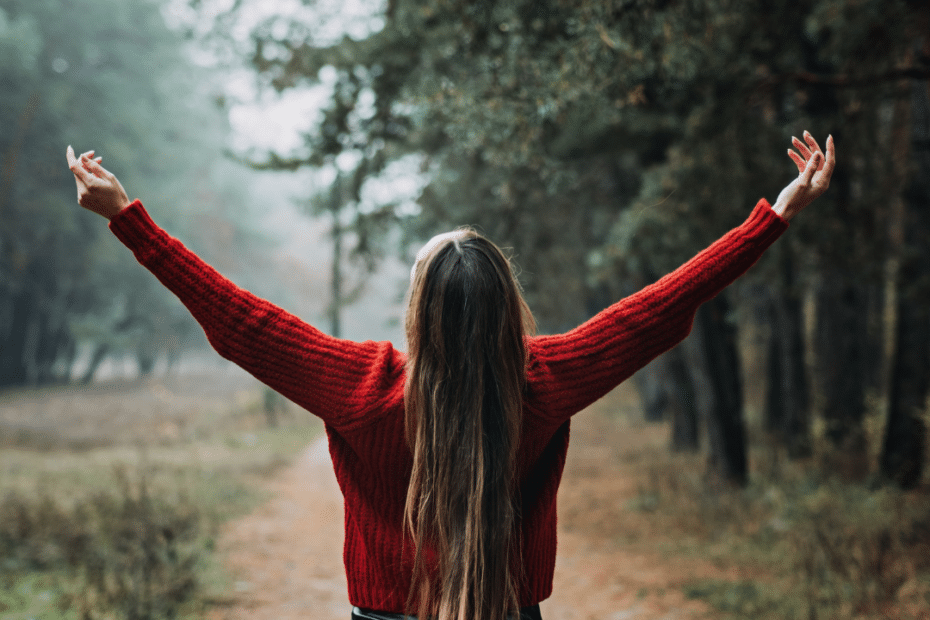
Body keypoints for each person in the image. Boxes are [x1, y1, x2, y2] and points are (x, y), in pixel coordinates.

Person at [66, 132, 835, 620]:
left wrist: (129, 217)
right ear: (508, 309)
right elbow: (658, 307)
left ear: (417, 310)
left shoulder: (360, 387)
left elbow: (240, 321)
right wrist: (773, 218)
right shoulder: (543, 379)